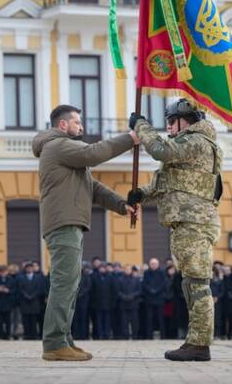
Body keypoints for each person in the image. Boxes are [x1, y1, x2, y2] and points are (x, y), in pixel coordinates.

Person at [33, 104, 137, 361]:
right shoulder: (58, 146)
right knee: (64, 283)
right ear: (63, 125)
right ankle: (55, 343)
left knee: (70, 284)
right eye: (77, 122)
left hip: (70, 223)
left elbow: (95, 187)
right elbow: (95, 152)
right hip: (64, 223)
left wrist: (121, 206)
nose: (81, 126)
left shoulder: (68, 154)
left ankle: (63, 340)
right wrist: (130, 138)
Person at [128, 98, 224, 361]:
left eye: (172, 121)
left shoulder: (196, 142)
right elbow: (165, 183)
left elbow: (159, 149)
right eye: (167, 122)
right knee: (191, 283)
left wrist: (141, 126)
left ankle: (200, 344)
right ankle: (196, 341)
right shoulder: (187, 145)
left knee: (197, 283)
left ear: (187, 120)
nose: (169, 127)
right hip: (187, 221)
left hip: (194, 222)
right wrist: (141, 194)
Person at [18, 262, 44, 340]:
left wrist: (33, 296)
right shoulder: (21, 277)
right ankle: (27, 335)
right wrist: (26, 296)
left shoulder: (38, 277)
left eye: (30, 267)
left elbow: (39, 288)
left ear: (33, 268)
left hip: (35, 301)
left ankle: (34, 335)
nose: (29, 269)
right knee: (25, 319)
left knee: (34, 319)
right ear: (25, 269)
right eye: (27, 268)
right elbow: (20, 288)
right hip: (25, 301)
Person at [143, 258, 166, 340]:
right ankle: (149, 336)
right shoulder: (146, 273)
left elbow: (163, 284)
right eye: (152, 264)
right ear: (150, 264)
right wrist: (151, 290)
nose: (154, 265)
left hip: (159, 299)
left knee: (160, 319)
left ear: (158, 264)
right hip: (149, 299)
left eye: (155, 264)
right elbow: (144, 284)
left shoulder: (162, 273)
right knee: (149, 319)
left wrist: (156, 291)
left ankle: (163, 336)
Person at [0, 265, 16, 340]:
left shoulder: (11, 279)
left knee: (8, 321)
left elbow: (15, 290)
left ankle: (8, 335)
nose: (3, 273)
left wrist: (8, 291)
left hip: (8, 303)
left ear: (7, 272)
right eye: (2, 272)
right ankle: (0, 335)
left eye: (5, 271)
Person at [117, 265, 142, 340]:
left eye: (129, 269)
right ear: (124, 270)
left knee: (135, 322)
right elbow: (118, 291)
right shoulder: (120, 279)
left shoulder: (136, 279)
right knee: (124, 322)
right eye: (126, 269)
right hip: (124, 304)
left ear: (131, 270)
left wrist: (133, 296)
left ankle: (135, 336)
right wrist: (123, 296)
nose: (128, 270)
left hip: (134, 304)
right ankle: (125, 336)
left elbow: (139, 290)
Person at [73, 263, 92, 340]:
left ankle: (83, 335)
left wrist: (81, 293)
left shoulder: (86, 276)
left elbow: (88, 287)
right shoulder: (72, 275)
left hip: (84, 301)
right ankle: (76, 335)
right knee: (75, 319)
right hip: (74, 300)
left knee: (83, 318)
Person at [210, 263, 225, 339]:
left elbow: (222, 291)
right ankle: (210, 334)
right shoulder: (208, 281)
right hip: (209, 301)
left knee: (218, 318)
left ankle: (218, 334)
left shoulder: (220, 280)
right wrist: (210, 297)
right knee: (210, 319)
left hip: (218, 302)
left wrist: (217, 297)